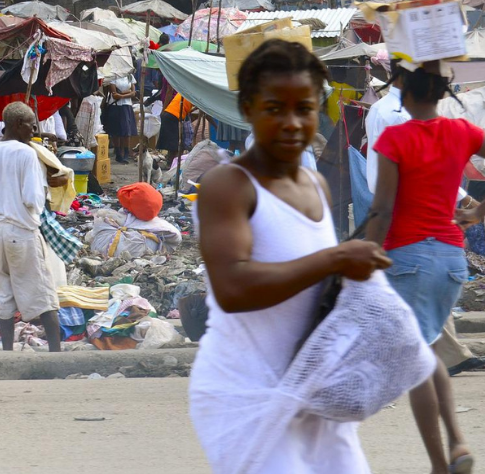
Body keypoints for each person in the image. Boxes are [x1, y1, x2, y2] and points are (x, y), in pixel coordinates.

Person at [190, 40, 392, 473]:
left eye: (304, 108)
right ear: (246, 108)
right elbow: (232, 288)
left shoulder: (315, 184)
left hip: (309, 388)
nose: (292, 123)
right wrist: (336, 260)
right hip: (244, 390)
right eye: (274, 108)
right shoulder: (229, 185)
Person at [365, 63, 482, 474]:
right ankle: (454, 446)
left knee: (417, 362)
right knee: (426, 351)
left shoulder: (395, 138)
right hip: (451, 260)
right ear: (440, 93)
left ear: (403, 89)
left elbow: (381, 210)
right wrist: (478, 212)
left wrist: (362, 257)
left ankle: (445, 457)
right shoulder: (463, 131)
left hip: (410, 259)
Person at [0, 102, 62, 353]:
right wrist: (46, 185)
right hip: (23, 233)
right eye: (31, 125)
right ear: (17, 124)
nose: (34, 130)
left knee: (4, 297)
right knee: (43, 296)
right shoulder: (27, 154)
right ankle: (57, 355)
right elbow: (32, 199)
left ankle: (7, 354)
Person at [104, 74, 137, 164]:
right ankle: (118, 153)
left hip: (127, 105)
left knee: (127, 131)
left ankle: (126, 153)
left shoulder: (130, 76)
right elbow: (114, 95)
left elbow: (134, 93)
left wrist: (121, 95)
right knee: (116, 131)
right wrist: (127, 93)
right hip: (116, 106)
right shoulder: (113, 76)